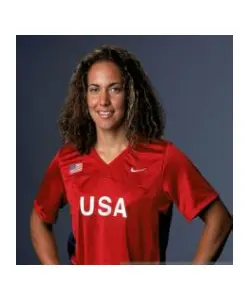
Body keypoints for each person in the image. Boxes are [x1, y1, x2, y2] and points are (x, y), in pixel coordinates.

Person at [30, 45, 232, 265]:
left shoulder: (163, 158)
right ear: (84, 96)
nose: (103, 101)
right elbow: (39, 219)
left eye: (114, 88)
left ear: (131, 94)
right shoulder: (68, 159)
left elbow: (219, 219)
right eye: (94, 89)